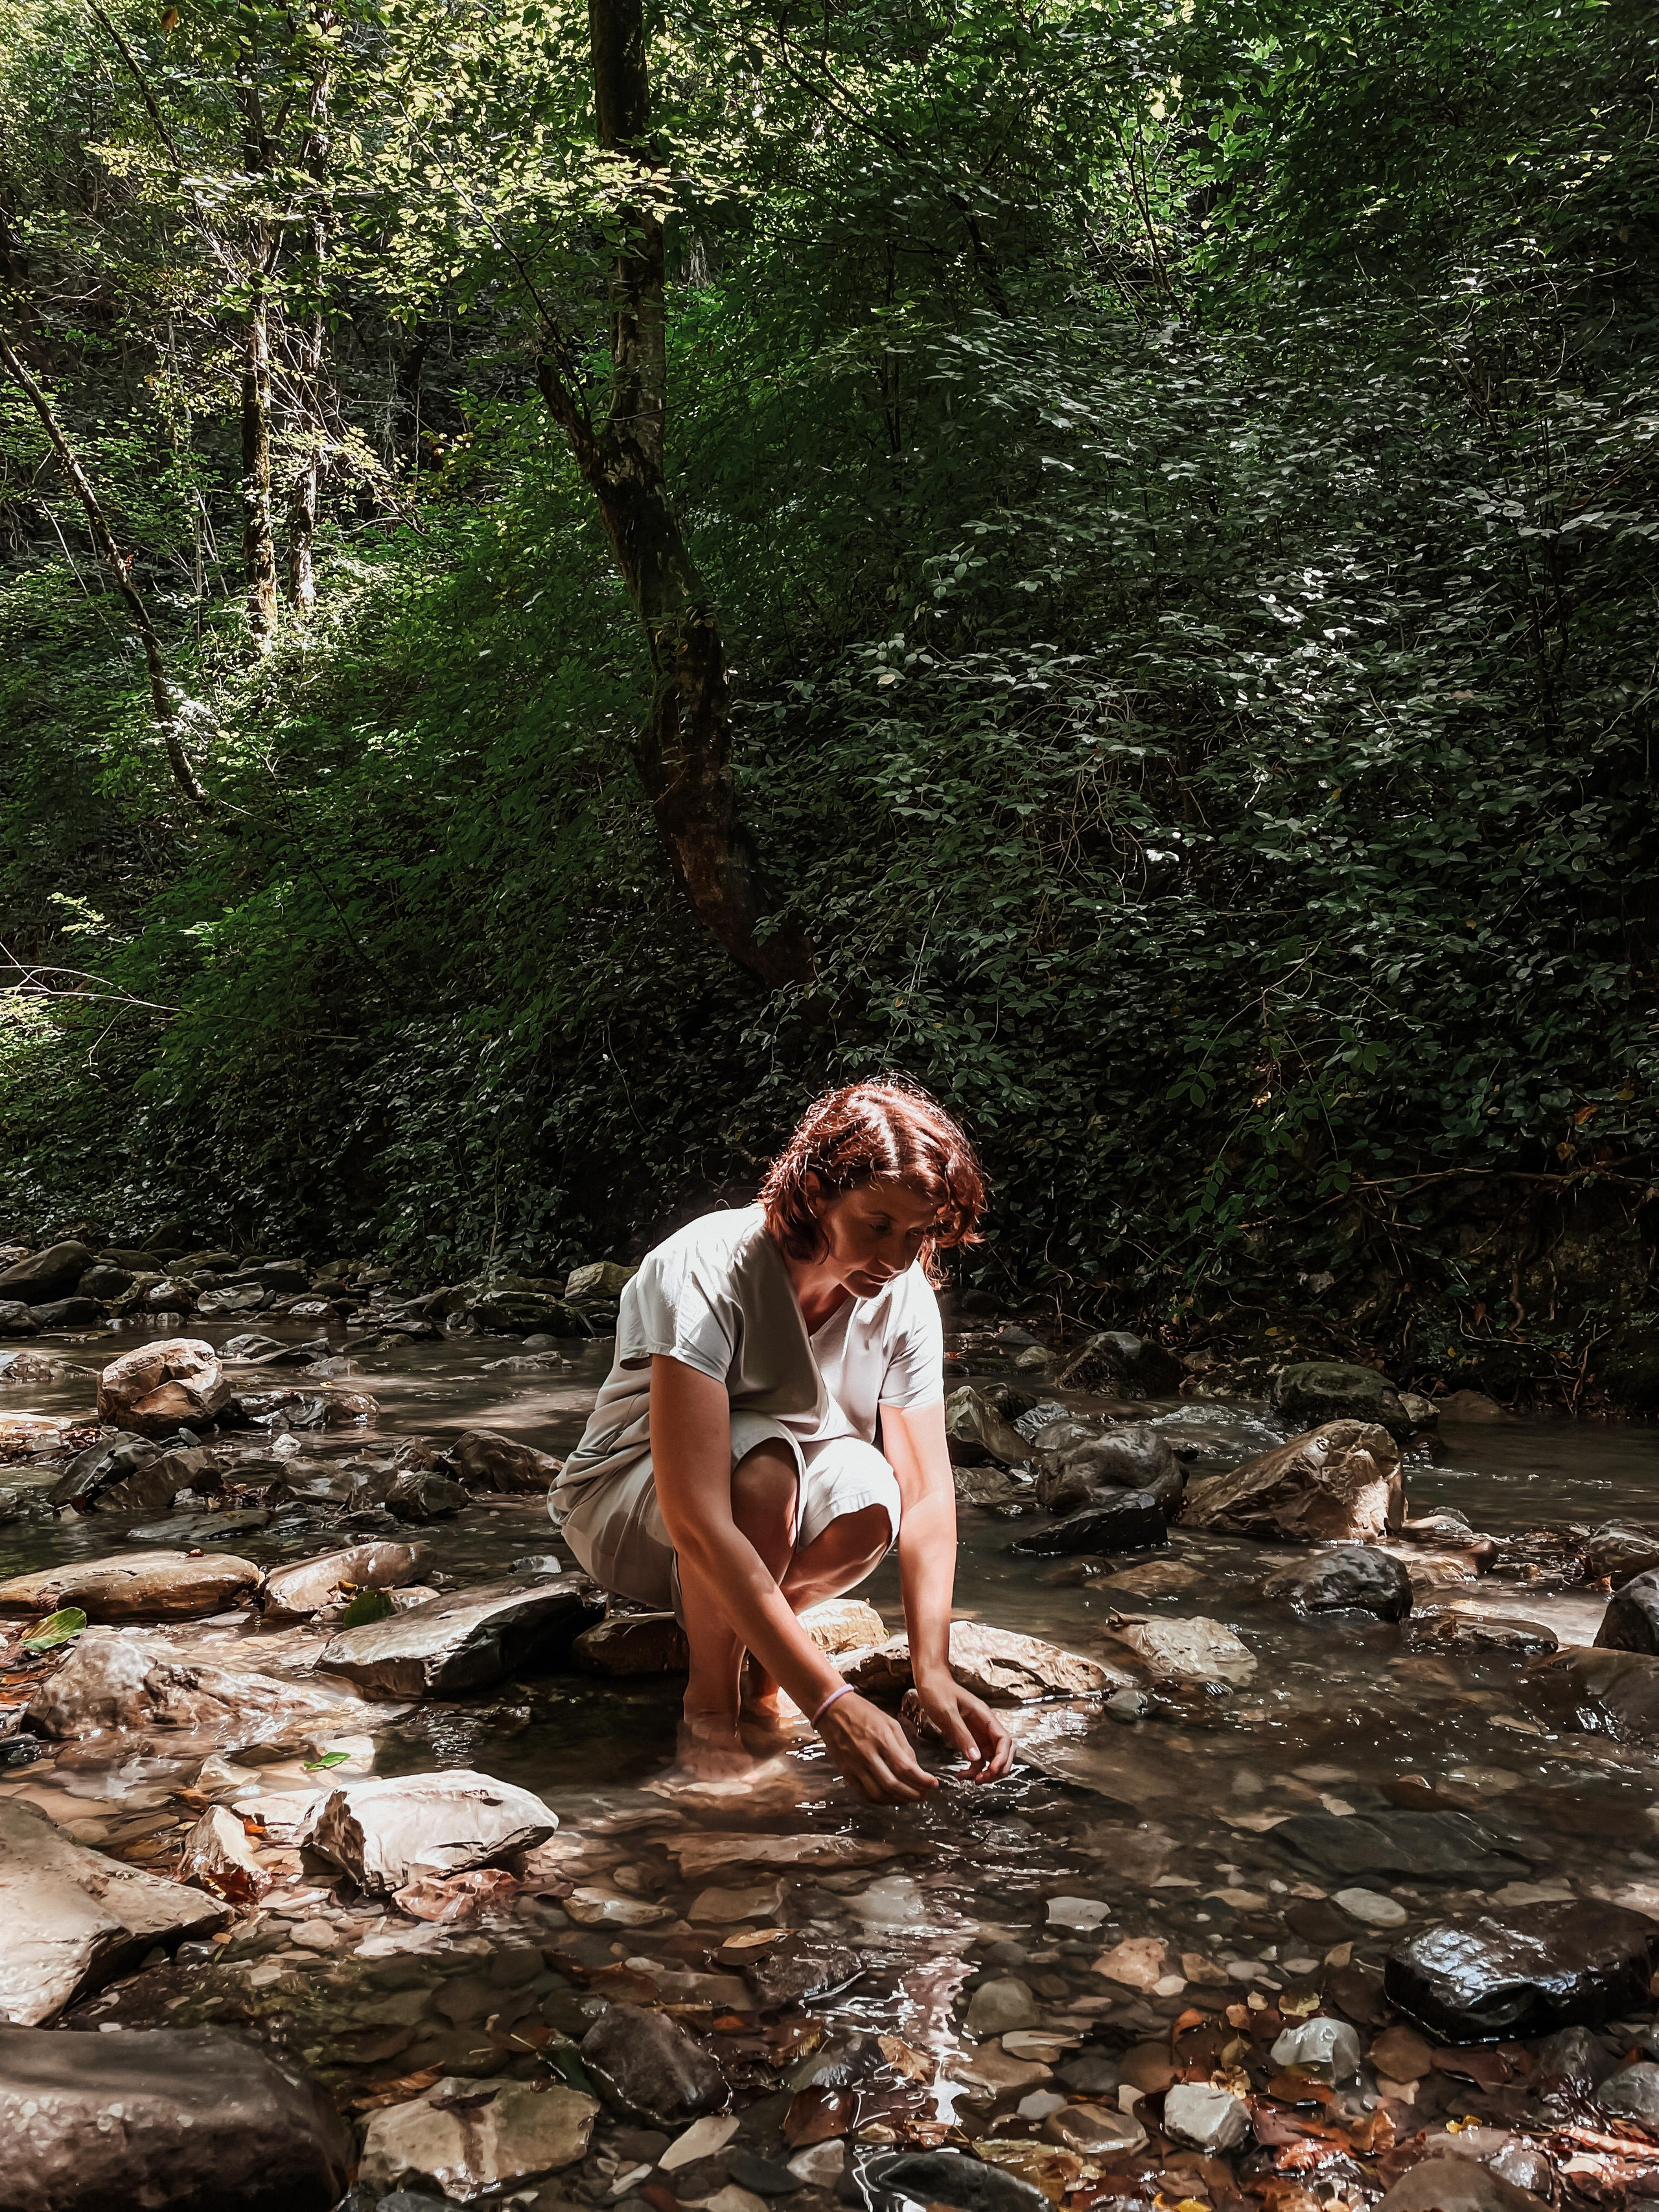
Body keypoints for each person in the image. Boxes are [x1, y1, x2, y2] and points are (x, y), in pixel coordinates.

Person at [551, 1078, 1014, 1804]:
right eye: (877, 1223)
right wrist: (831, 1702)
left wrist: (933, 1671)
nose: (897, 1257)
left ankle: (764, 1662)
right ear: (816, 1192)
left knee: (872, 1492)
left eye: (918, 1234)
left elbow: (925, 1497)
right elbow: (698, 1516)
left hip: (768, 1507)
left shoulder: (903, 1295)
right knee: (764, 1463)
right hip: (629, 1507)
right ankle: (710, 1703)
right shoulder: (704, 1267)